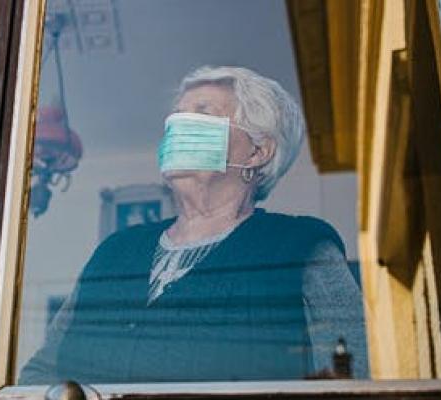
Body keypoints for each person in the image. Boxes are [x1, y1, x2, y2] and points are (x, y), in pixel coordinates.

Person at [19, 66, 368, 384]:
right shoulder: (116, 250)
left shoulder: (299, 246)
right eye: (177, 115)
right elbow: (43, 371)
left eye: (202, 113)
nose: (177, 126)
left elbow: (353, 377)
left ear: (258, 153)